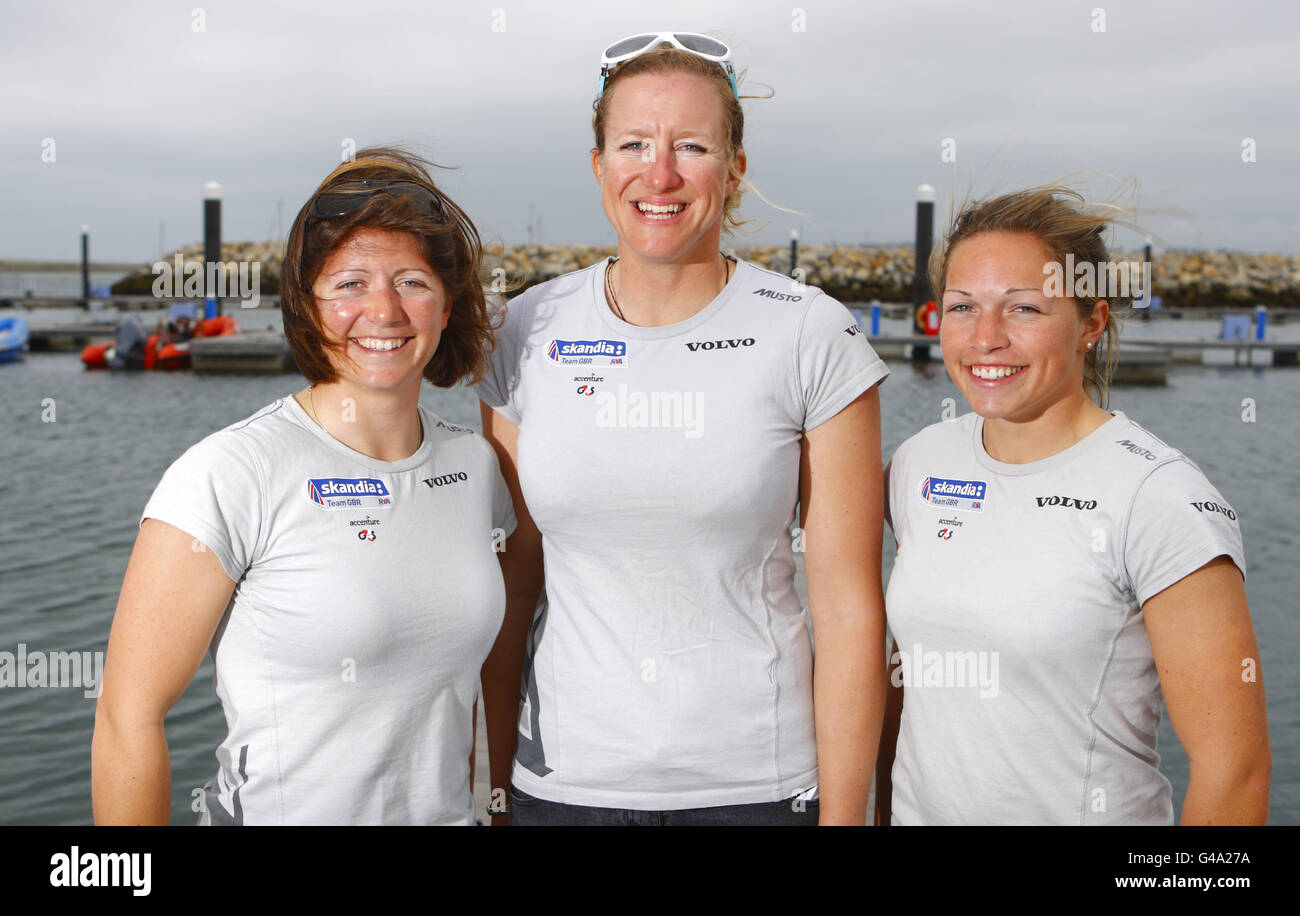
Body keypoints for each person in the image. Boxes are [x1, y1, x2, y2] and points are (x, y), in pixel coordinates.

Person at [477, 33, 890, 825]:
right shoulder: (524, 332)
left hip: (758, 788)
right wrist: (497, 790)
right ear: (598, 163)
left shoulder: (811, 334)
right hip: (561, 789)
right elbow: (516, 579)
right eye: (633, 143)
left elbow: (848, 612)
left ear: (734, 170)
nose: (658, 173)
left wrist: (843, 819)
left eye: (691, 146)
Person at [92, 148, 516, 825]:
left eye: (412, 281)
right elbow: (126, 718)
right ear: (306, 304)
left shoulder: (477, 470)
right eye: (349, 283)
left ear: (446, 305)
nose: (383, 310)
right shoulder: (232, 474)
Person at [875, 186, 1272, 825]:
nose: (985, 338)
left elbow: (1235, 775)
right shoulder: (921, 464)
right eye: (962, 307)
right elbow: (903, 684)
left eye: (1024, 308)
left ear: (1091, 322)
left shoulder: (1159, 497)